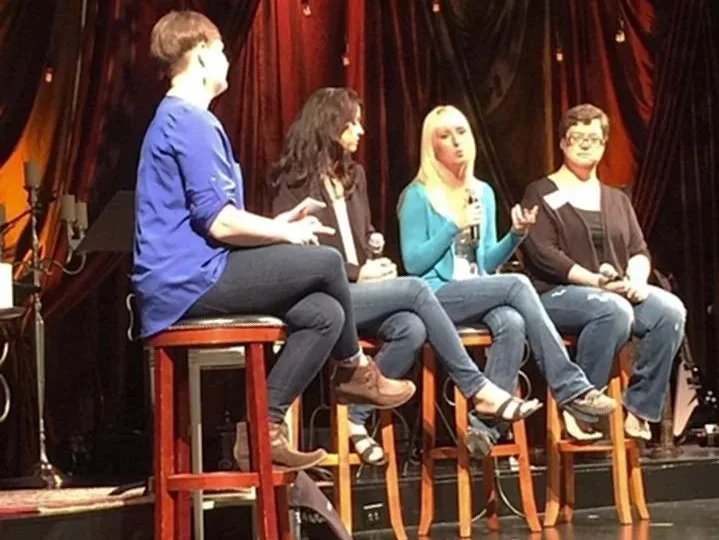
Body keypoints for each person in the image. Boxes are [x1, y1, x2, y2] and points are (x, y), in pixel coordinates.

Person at [132, 11, 416, 472]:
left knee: (325, 314)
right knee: (325, 262)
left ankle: (264, 427)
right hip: (186, 281)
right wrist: (286, 232)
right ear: (202, 52)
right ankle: (354, 370)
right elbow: (219, 224)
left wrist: (275, 222)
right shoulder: (188, 121)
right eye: (222, 50)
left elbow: (215, 218)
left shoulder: (187, 119)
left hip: (201, 271)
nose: (227, 61)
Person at [270, 88, 542, 463]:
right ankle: (476, 386)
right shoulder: (294, 179)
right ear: (333, 127)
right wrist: (357, 271)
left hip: (359, 292)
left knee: (411, 327)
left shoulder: (355, 176)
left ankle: (356, 417)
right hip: (326, 296)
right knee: (415, 289)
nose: (361, 131)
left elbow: (362, 237)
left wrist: (373, 250)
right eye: (354, 123)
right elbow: (296, 253)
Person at [398, 105, 618, 440]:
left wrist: (516, 235)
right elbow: (413, 264)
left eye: (462, 132)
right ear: (432, 146)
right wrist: (452, 225)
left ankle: (484, 430)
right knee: (517, 283)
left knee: (512, 322)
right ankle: (571, 388)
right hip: (434, 297)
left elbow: (485, 261)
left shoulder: (482, 192)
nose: (457, 141)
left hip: (475, 291)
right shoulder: (418, 195)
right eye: (445, 135)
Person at [520, 103, 686, 441]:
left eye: (593, 138)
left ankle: (639, 408)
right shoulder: (541, 192)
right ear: (563, 143)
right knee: (613, 309)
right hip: (557, 295)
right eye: (577, 137)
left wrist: (637, 280)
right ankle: (581, 401)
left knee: (670, 310)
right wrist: (597, 282)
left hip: (614, 293)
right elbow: (544, 254)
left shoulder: (616, 199)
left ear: (604, 144)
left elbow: (639, 251)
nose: (585, 144)